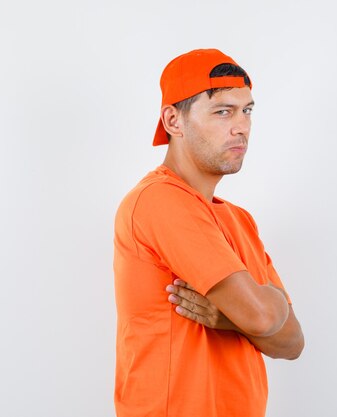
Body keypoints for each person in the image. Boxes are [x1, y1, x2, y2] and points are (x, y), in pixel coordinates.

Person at [113, 49, 304, 417]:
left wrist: (229, 316)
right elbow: (267, 320)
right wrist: (263, 310)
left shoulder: (239, 220)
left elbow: (292, 343)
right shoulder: (160, 200)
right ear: (173, 120)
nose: (241, 127)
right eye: (222, 112)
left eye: (246, 110)